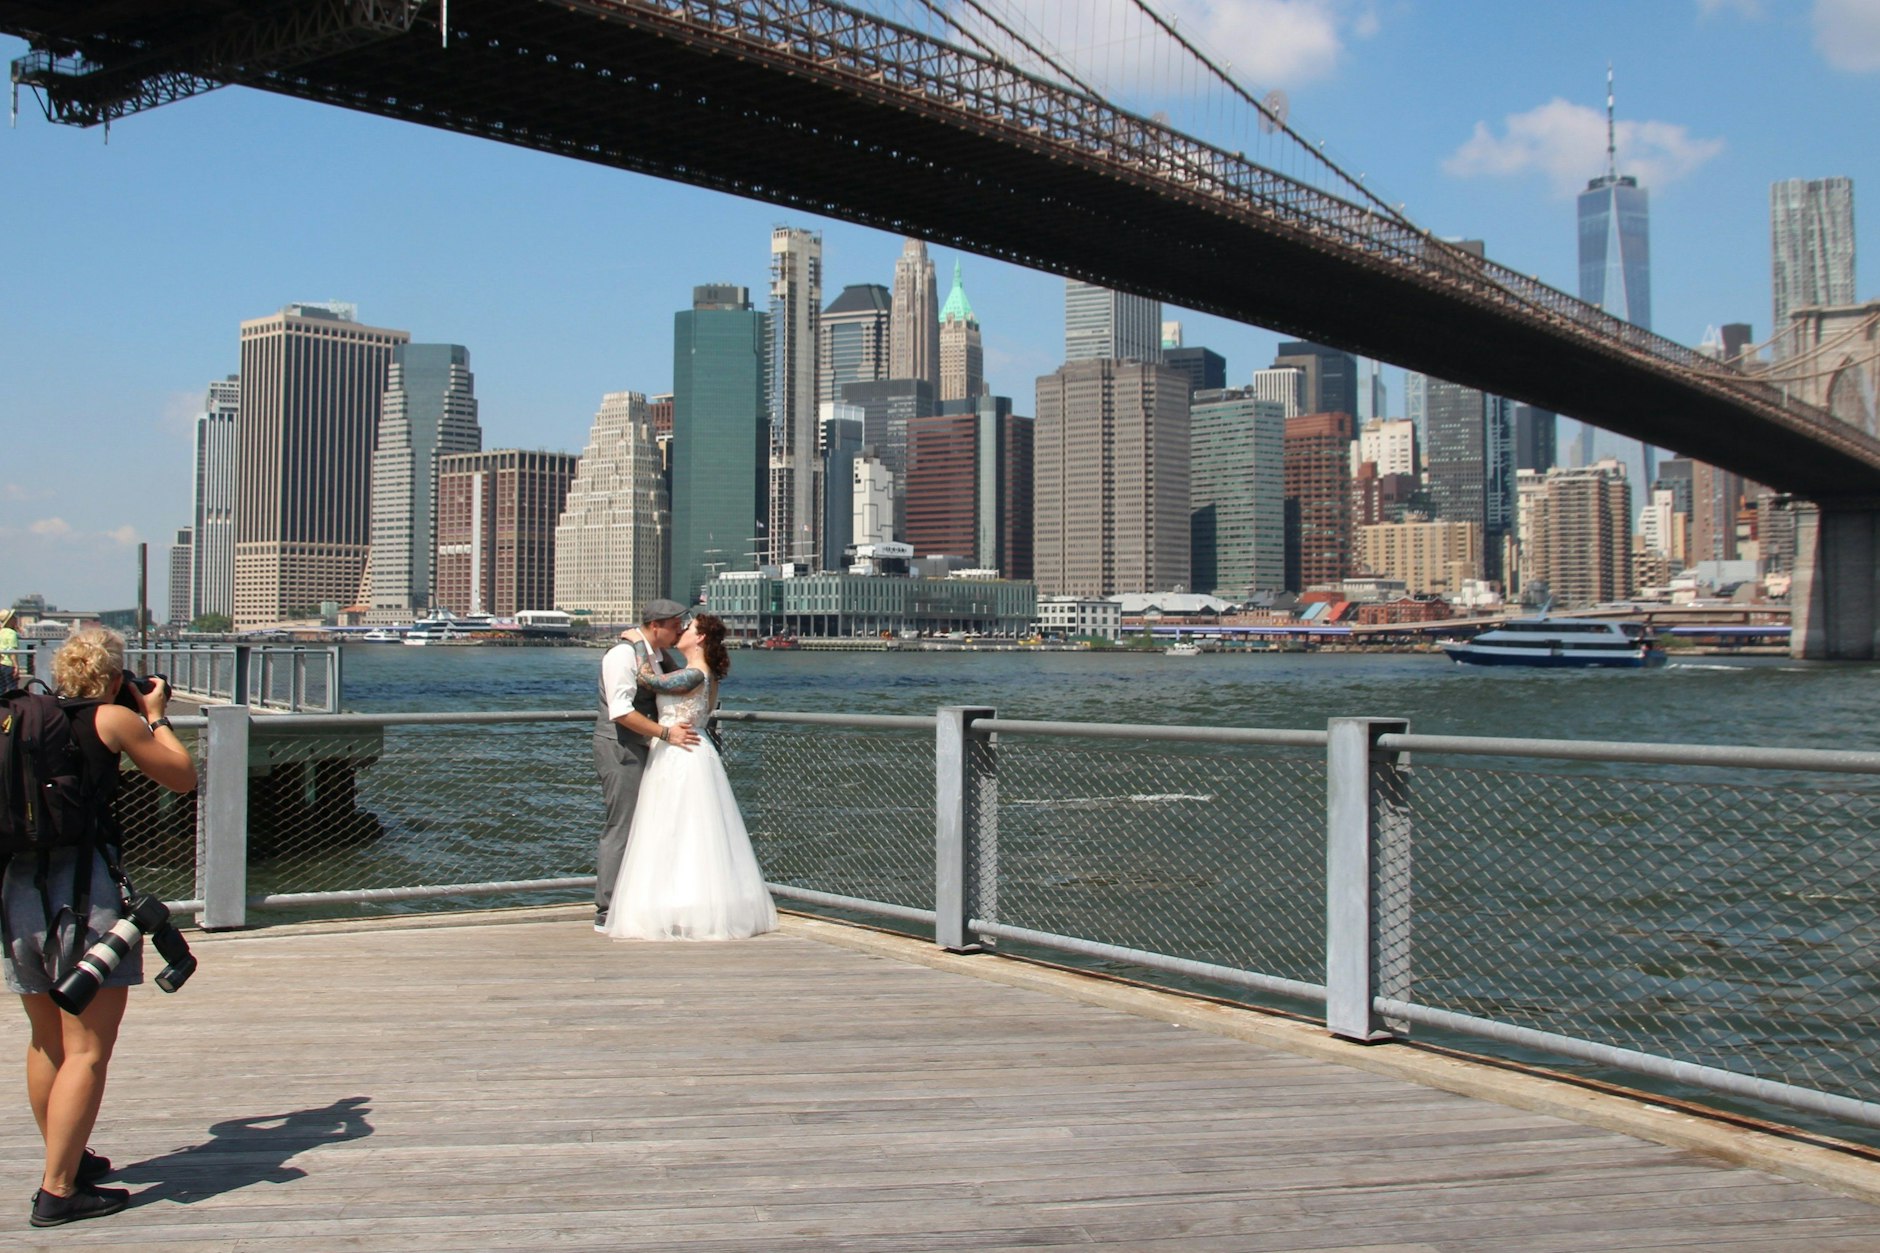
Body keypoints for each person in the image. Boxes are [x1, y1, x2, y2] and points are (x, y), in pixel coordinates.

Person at [6, 627, 196, 1228]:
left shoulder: (26, 720)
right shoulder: (111, 720)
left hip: (17, 894)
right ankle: (59, 1190)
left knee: (46, 1041)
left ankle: (70, 1160)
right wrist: (157, 716)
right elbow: (182, 776)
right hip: (82, 896)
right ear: (116, 676)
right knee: (88, 1048)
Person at [605, 612, 777, 941]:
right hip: (688, 751)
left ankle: (686, 907)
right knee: (685, 830)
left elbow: (647, 680)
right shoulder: (697, 672)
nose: (682, 630)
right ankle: (687, 904)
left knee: (682, 829)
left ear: (699, 639)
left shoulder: (695, 674)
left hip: (681, 754)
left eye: (690, 628)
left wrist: (637, 641)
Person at [592, 599, 701, 933]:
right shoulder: (621, 656)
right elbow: (621, 711)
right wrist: (666, 733)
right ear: (657, 626)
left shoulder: (656, 656)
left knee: (647, 824)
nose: (680, 630)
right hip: (621, 747)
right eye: (675, 625)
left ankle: (636, 899)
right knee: (622, 825)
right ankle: (606, 909)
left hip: (647, 746)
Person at [0, 609, 20, 691]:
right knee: (13, 690)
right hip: (9, 665)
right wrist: (16, 666)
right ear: (10, 620)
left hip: (1, 663)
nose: (16, 618)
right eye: (13, 617)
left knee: (1, 689)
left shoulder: (1, 632)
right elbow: (12, 651)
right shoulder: (12, 633)